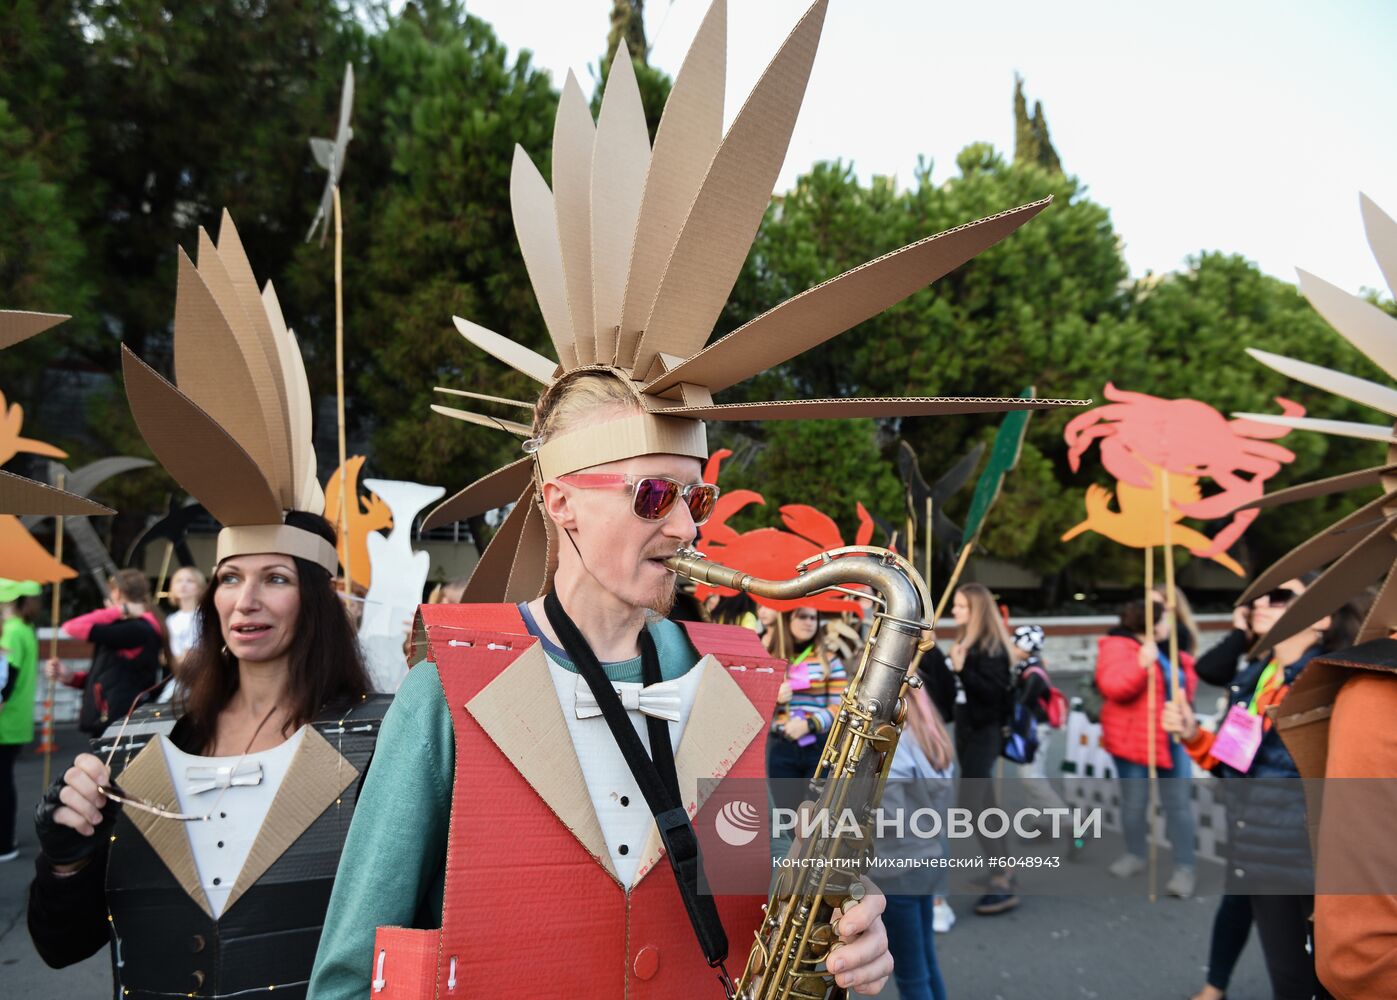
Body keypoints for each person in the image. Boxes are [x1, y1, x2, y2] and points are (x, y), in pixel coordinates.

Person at [307, 1, 1060, 989]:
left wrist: (846, 971)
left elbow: (738, 934)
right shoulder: (445, 691)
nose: (684, 525)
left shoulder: (733, 682)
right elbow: (344, 975)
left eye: (696, 498)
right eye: (653, 493)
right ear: (558, 502)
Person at [26, 210, 386, 1000]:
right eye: (230, 578)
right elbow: (64, 946)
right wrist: (64, 853)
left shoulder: (383, 743)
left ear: (317, 602)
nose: (244, 601)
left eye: (276, 579)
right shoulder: (137, 742)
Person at [1162, 575, 1340, 1000]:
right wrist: (1192, 735)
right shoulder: (1256, 677)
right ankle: (1215, 985)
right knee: (1291, 979)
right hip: (1258, 845)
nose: (1261, 602)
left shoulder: (1332, 683)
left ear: (1323, 618)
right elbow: (1233, 767)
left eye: (1280, 597)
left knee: (1327, 976)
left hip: (1311, 856)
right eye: (1259, 596)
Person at [1096, 590, 1199, 898]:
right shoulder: (1117, 646)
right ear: (1151, 623)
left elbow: (1186, 685)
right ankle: (1135, 854)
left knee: (1178, 805)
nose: (1169, 620)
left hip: (1172, 736)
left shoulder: (1172, 648)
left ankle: (1185, 868)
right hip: (1132, 739)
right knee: (1134, 803)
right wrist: (1141, 665)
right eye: (1163, 616)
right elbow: (1113, 688)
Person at [943, 582, 1020, 915]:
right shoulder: (964, 641)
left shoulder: (991, 647)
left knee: (973, 804)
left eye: (961, 607)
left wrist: (962, 669)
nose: (955, 612)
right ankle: (1002, 867)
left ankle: (1002, 878)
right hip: (965, 730)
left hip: (984, 732)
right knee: (985, 801)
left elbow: (993, 697)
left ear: (976, 611)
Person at [877, 681, 955, 1000]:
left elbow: (890, 820)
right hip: (927, 856)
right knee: (926, 963)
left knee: (911, 978)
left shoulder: (894, 745)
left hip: (897, 868)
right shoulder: (929, 733)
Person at [46, 568, 165, 737]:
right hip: (116, 717)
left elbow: (71, 627)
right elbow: (114, 674)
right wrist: (73, 678)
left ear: (116, 593)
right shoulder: (135, 628)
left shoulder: (135, 629)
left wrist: (119, 610)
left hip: (117, 720)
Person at [768, 607, 848, 818]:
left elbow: (842, 705)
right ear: (786, 619)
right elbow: (754, 707)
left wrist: (809, 724)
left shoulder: (830, 659)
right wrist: (772, 699)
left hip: (819, 747)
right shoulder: (771, 658)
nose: (809, 622)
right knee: (784, 818)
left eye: (814, 617)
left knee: (817, 816)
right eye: (803, 616)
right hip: (782, 746)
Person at [0, 579, 41, 861]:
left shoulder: (12, 631)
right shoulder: (24, 629)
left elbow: (5, 683)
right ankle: (6, 839)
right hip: (17, 720)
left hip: (5, 720)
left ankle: (4, 843)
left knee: (2, 783)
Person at [157, 565, 206, 704]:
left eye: (190, 581)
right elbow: (164, 655)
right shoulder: (171, 620)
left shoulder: (204, 617)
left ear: (200, 587)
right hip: (177, 680)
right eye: (179, 581)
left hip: (198, 681)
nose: (183, 585)